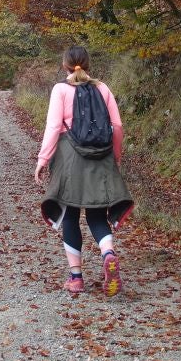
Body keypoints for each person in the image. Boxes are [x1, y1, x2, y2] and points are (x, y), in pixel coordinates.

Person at [33, 45, 134, 295]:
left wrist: (42, 159)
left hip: (70, 158)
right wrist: (116, 156)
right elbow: (117, 126)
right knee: (97, 216)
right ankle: (108, 254)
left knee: (69, 215)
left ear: (65, 65)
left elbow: (54, 126)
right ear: (88, 64)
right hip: (101, 158)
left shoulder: (61, 90)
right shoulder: (103, 88)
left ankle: (76, 278)